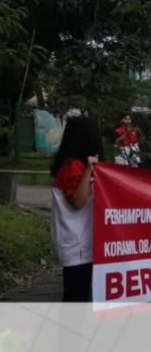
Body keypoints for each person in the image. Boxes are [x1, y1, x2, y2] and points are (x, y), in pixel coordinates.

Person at [51, 116, 104, 302]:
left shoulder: (76, 165)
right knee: (76, 299)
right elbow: (78, 202)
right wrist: (89, 171)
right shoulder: (74, 167)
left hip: (83, 244)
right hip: (77, 246)